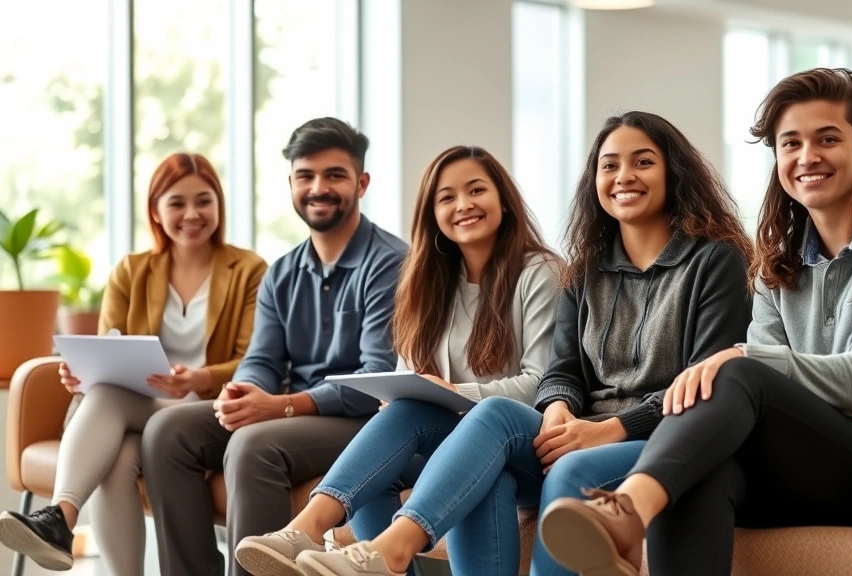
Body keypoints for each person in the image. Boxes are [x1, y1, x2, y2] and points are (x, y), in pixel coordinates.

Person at [538, 68, 852, 576]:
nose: (806, 156)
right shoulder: (778, 260)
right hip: (801, 466)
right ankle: (633, 511)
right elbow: (759, 393)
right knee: (701, 467)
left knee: (734, 369)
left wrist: (744, 360)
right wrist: (743, 368)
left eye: (827, 139)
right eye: (790, 143)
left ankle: (625, 511)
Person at [288, 111, 753, 576]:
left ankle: (391, 549)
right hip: (578, 433)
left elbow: (704, 390)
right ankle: (310, 531)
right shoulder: (586, 270)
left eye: (643, 162)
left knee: (560, 466)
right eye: (609, 165)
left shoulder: (715, 262)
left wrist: (604, 430)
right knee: (481, 443)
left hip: (661, 443)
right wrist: (557, 410)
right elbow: (562, 372)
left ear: (674, 171)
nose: (623, 176)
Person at [233, 144, 563, 576]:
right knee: (404, 422)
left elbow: (542, 382)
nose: (463, 205)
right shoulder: (429, 283)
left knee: (455, 418)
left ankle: (324, 532)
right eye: (446, 197)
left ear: (503, 199)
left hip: (527, 443)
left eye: (476, 190)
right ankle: (305, 530)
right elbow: (414, 372)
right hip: (465, 445)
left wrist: (451, 392)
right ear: (432, 215)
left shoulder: (540, 272)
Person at [140, 118, 408, 576]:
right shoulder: (281, 272)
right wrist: (242, 391)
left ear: (361, 183)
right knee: (168, 432)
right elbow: (262, 359)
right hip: (295, 409)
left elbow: (375, 377)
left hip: (363, 421)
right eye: (305, 176)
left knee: (252, 445)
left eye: (334, 175)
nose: (318, 188)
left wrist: (282, 406)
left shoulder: (392, 263)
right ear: (291, 184)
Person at [0, 153, 267, 575]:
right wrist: (79, 375)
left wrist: (197, 378)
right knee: (120, 454)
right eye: (177, 203)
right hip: (136, 406)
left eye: (204, 200)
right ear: (156, 211)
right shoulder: (132, 270)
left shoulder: (249, 270)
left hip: (202, 411)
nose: (192, 214)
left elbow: (255, 358)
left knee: (108, 402)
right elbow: (109, 348)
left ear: (219, 205)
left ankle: (59, 518)